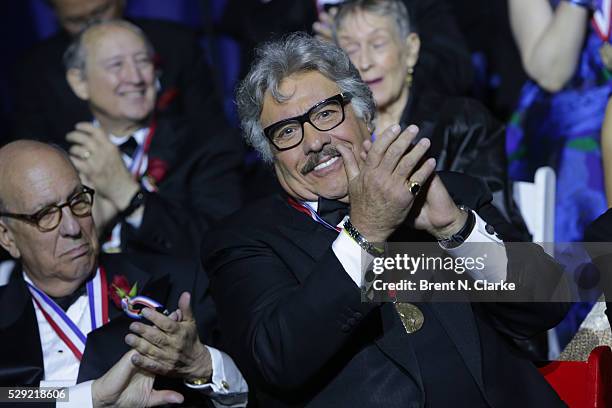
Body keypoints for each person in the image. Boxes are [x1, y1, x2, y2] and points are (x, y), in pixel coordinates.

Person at [204, 33, 568, 406]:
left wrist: (454, 229)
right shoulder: (244, 242)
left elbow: (549, 305)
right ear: (271, 155)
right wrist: (365, 233)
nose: (313, 141)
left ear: (364, 114)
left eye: (326, 113)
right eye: (287, 132)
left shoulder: (449, 193)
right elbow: (278, 361)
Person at [0, 140, 248, 407]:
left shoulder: (177, 284)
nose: (73, 227)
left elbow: (253, 391)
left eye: (77, 200)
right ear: (7, 237)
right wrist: (92, 398)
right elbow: (8, 395)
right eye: (45, 215)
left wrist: (201, 364)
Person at [317, 0, 528, 238]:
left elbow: (500, 232)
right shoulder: (335, 136)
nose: (365, 62)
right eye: (351, 49)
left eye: (378, 44)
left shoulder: (463, 123)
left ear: (411, 49)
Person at [60, 19, 243, 256]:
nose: (135, 77)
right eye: (116, 65)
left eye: (143, 61)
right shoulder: (61, 160)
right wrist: (91, 228)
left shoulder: (205, 145)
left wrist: (127, 195)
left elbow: (223, 243)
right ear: (79, 82)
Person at [9, 0, 230, 146]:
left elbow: (213, 133)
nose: (93, 26)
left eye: (101, 11)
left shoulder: (175, 44)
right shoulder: (35, 70)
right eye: (77, 20)